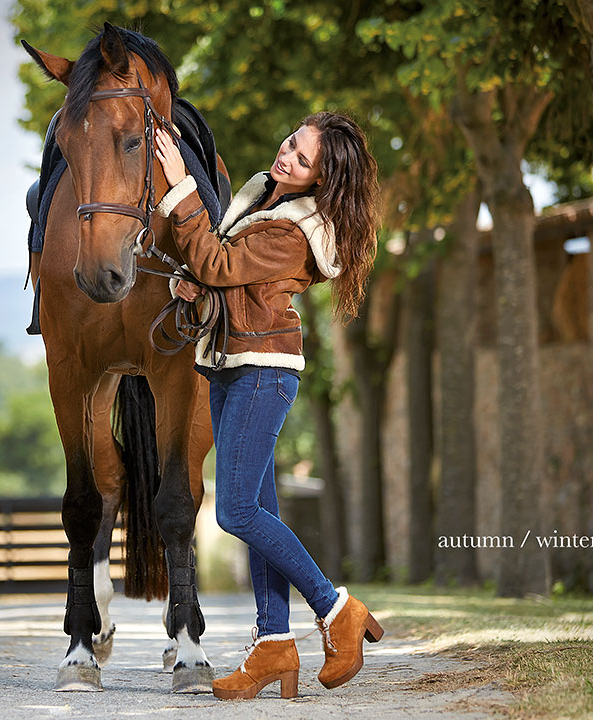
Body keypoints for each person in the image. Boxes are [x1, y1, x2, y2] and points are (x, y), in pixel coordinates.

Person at [153, 112, 383, 700]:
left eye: (303, 161)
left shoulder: (292, 231)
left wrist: (180, 183)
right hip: (236, 366)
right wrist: (197, 287)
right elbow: (227, 279)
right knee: (260, 514)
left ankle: (336, 609)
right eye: (291, 144)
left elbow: (220, 262)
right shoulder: (262, 201)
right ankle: (274, 644)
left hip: (261, 374)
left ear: (319, 181)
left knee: (235, 513)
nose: (287, 159)